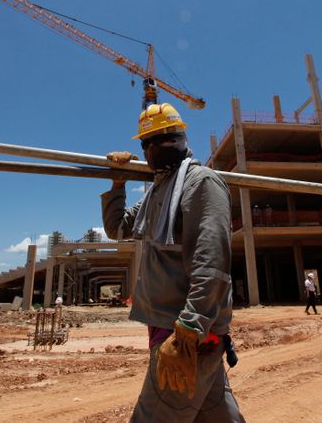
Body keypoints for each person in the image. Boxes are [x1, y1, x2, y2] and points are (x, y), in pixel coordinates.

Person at [102, 102, 245, 422]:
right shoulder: (158, 192)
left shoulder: (200, 183)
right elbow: (118, 228)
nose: (154, 148)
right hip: (180, 332)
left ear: (181, 137)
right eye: (147, 142)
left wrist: (188, 332)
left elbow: (212, 263)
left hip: (185, 334)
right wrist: (118, 183)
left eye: (165, 138)